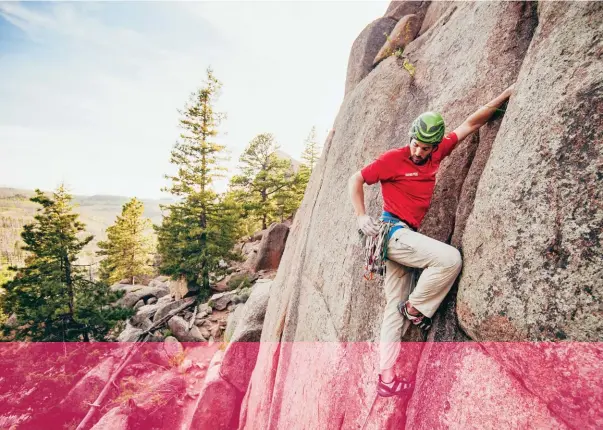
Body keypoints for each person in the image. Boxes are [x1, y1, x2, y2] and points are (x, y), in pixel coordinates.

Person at [348, 84, 515, 398]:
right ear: (411, 136)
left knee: (390, 311)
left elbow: (471, 123)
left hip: (403, 238)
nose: (419, 152)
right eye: (417, 144)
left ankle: (386, 377)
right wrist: (360, 215)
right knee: (449, 259)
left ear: (434, 145)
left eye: (426, 148)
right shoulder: (393, 159)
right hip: (392, 234)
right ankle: (416, 307)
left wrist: (506, 94)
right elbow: (355, 179)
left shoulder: (438, 151)